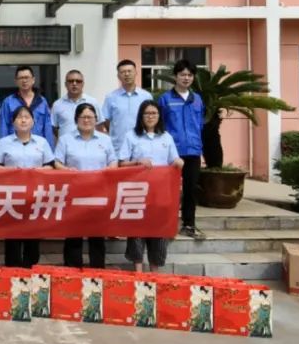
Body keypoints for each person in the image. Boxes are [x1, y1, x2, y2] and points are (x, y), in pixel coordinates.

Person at [118, 100, 184, 273]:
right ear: (141, 116)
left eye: (154, 113)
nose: (150, 116)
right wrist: (137, 162)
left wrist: (178, 162)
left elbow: (174, 160)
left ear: (159, 116)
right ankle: (138, 271)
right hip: (138, 192)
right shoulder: (131, 136)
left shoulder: (166, 137)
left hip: (160, 193)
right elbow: (121, 163)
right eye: (146, 113)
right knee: (137, 231)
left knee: (159, 231)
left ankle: (155, 272)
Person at [53, 103, 117, 269]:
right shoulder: (66, 139)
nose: (87, 120)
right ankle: (73, 271)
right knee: (74, 234)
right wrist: (67, 170)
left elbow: (113, 161)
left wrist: (109, 170)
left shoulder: (105, 139)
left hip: (99, 194)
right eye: (83, 117)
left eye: (90, 117)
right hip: (74, 193)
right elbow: (57, 162)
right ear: (76, 119)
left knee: (97, 235)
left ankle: (97, 271)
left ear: (96, 119)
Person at [0, 105, 56, 269]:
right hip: (12, 195)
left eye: (27, 117)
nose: (23, 120)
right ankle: (12, 269)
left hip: (36, 195)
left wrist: (36, 171)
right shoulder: (4, 142)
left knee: (32, 233)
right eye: (19, 117)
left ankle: (30, 267)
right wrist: (12, 171)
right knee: (12, 233)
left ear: (33, 121)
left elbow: (50, 166)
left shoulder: (42, 142)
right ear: (13, 122)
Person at [158, 59, 206, 240]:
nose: (186, 78)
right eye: (182, 74)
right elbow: (160, 126)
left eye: (190, 75)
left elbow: (200, 125)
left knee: (191, 189)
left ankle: (188, 224)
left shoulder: (197, 99)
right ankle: (166, 225)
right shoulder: (165, 99)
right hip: (172, 152)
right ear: (175, 76)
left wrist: (199, 147)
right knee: (169, 190)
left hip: (193, 151)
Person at [100, 59, 153, 159]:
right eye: (123, 72)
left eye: (129, 71)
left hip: (141, 145)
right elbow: (106, 120)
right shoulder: (111, 97)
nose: (127, 74)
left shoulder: (146, 96)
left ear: (136, 73)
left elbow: (151, 119)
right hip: (118, 147)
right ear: (118, 76)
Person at [0, 65, 54, 148]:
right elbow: (3, 128)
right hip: (15, 147)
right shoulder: (8, 102)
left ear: (33, 80)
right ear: (16, 81)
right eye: (21, 78)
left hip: (38, 147)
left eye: (27, 77)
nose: (24, 81)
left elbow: (47, 127)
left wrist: (49, 150)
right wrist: (2, 148)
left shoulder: (42, 101)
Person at [52, 69, 100, 142]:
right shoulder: (57, 105)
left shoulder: (92, 102)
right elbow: (54, 129)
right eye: (71, 81)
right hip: (66, 146)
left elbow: (99, 126)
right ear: (65, 84)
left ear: (83, 84)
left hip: (89, 145)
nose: (74, 84)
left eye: (78, 81)